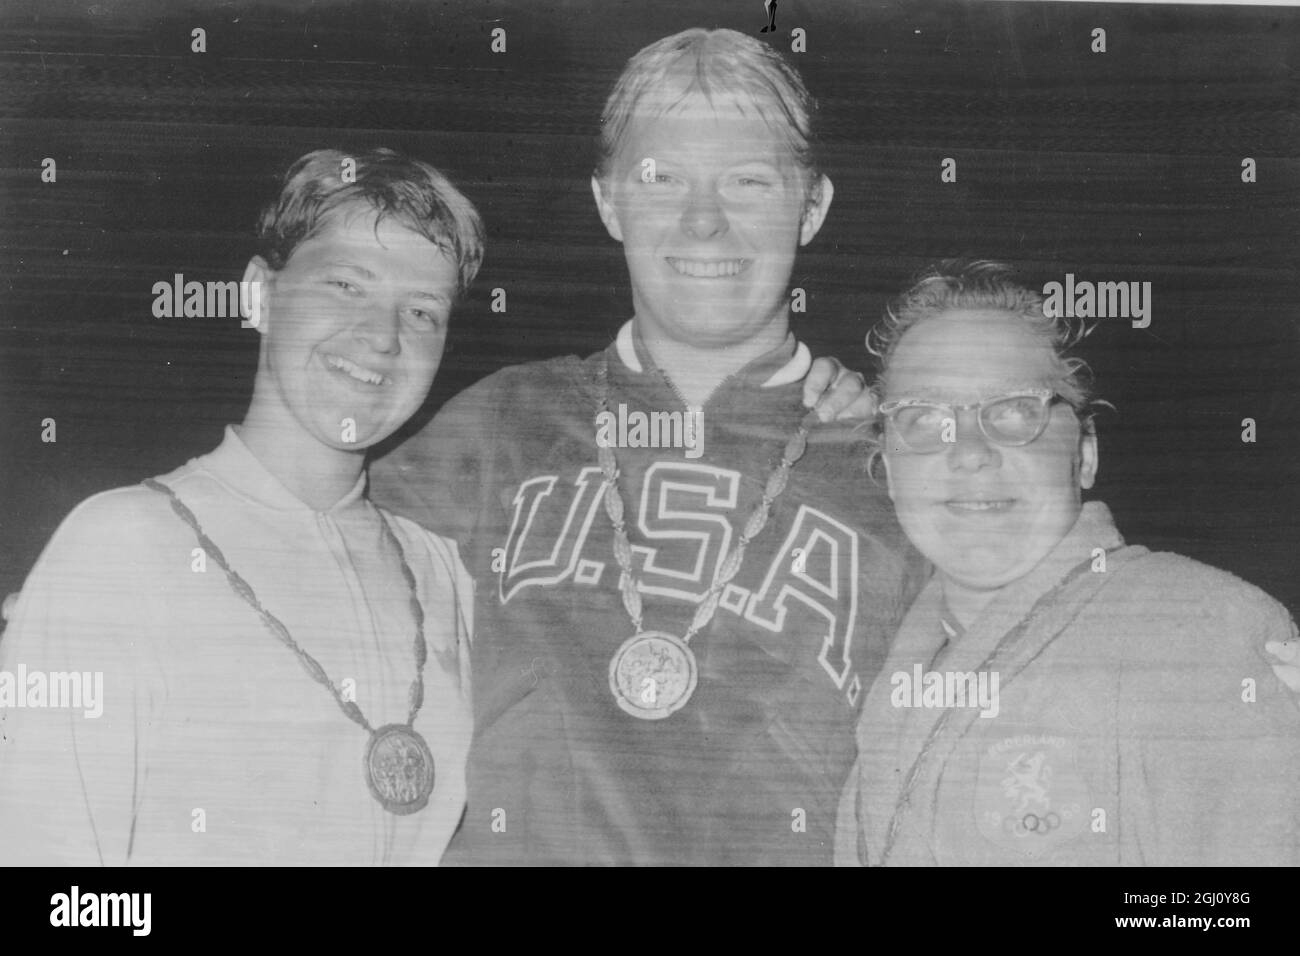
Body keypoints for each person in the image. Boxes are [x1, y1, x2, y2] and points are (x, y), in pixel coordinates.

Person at [370, 28, 925, 865]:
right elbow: (304, 570)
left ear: (811, 207)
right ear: (607, 202)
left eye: (748, 181)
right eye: (661, 179)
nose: (705, 221)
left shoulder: (899, 469)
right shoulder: (502, 420)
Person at [0, 148, 483, 865]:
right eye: (346, 284)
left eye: (422, 311)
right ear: (259, 294)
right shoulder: (117, 549)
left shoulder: (446, 577)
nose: (384, 338)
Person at [835, 261, 1300, 866]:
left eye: (1014, 410)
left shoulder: (1199, 629)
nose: (971, 452)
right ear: (890, 471)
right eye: (924, 419)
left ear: (1084, 454)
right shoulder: (894, 668)